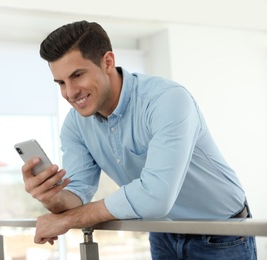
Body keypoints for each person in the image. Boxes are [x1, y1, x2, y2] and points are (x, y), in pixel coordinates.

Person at [20, 20, 257, 259]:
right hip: (162, 231)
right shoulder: (75, 124)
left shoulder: (167, 100)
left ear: (108, 62)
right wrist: (51, 197)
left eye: (77, 75)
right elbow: (76, 195)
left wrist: (68, 220)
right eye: (61, 82)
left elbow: (156, 196)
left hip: (221, 234)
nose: (70, 93)